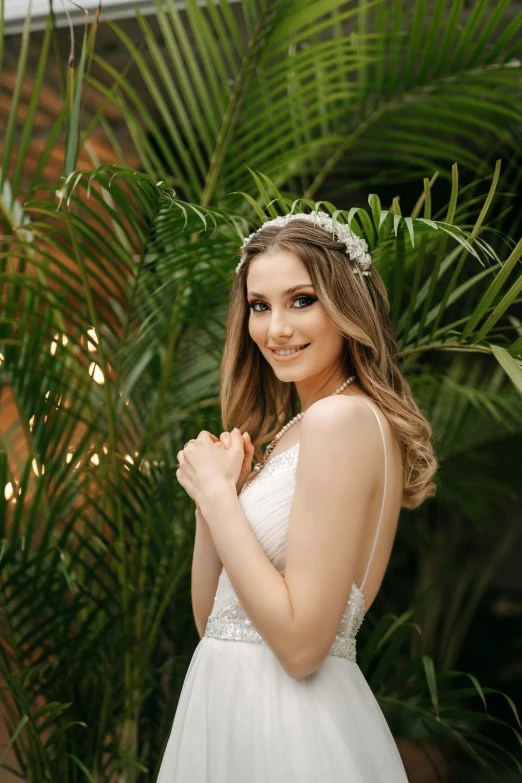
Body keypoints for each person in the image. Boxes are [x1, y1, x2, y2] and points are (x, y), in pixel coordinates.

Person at [156, 210, 437, 782]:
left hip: (286, 726)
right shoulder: (294, 431)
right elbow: (213, 622)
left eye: (301, 299)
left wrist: (215, 496)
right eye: (260, 306)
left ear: (346, 303)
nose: (276, 328)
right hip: (230, 711)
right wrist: (218, 500)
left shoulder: (342, 420)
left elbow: (303, 645)